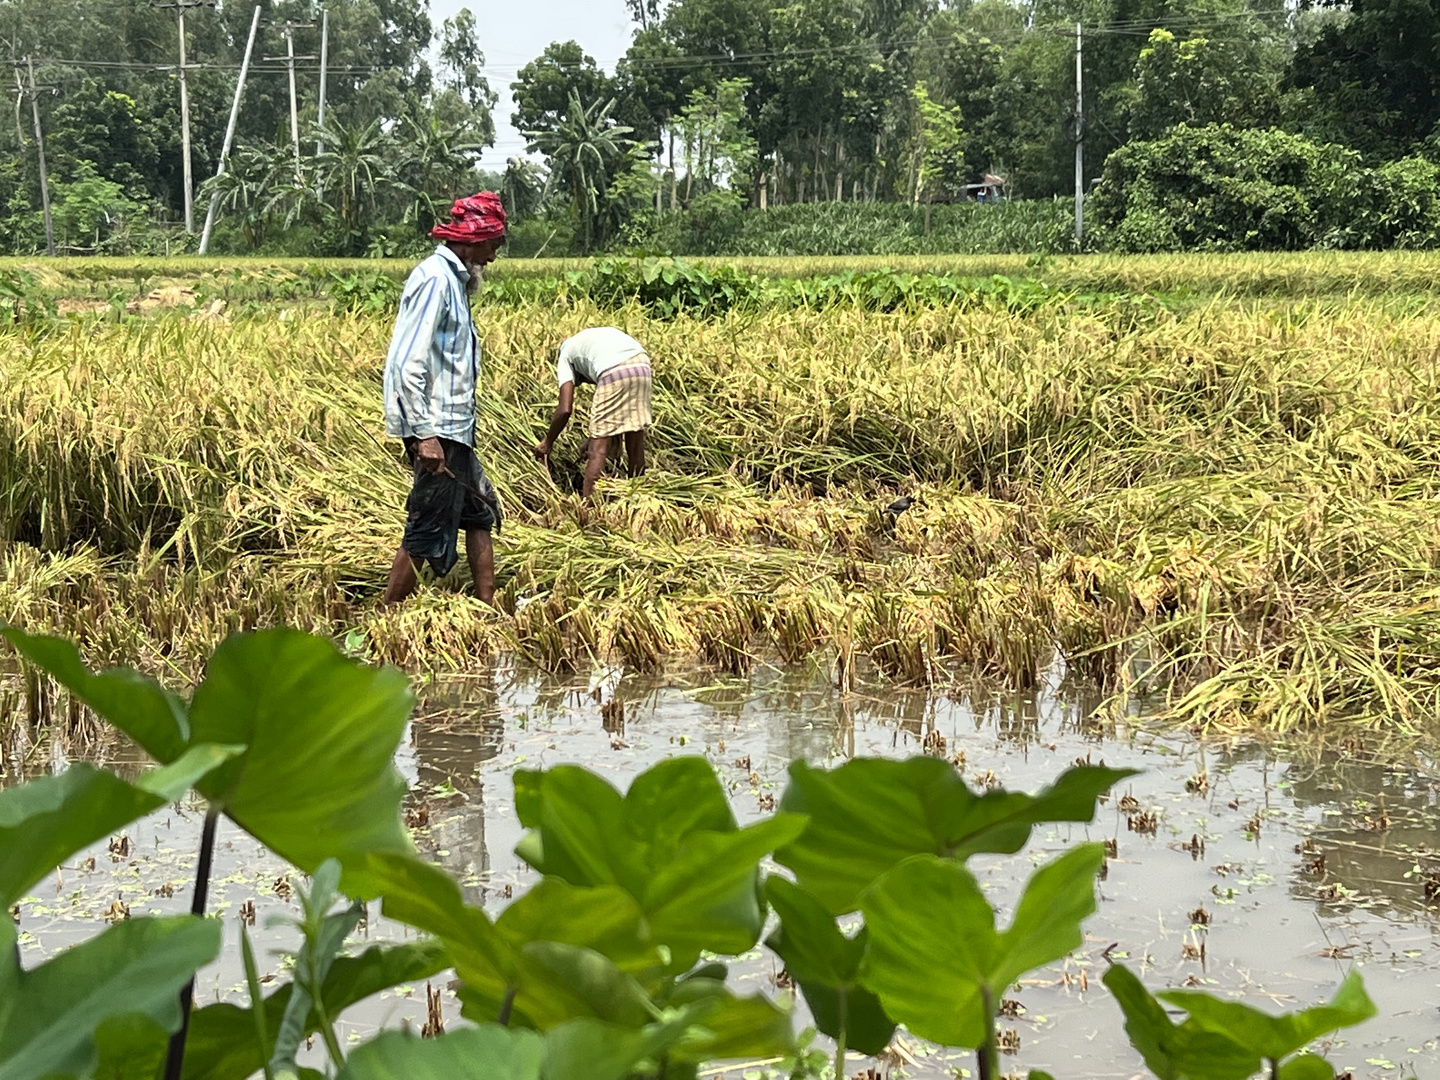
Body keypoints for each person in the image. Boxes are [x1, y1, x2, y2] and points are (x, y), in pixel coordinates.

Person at [381, 192, 507, 608]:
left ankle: (489, 606)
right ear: (473, 240)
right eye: (493, 245)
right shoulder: (435, 279)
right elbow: (405, 363)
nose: (492, 257)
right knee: (426, 526)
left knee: (478, 512)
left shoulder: (454, 282)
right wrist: (424, 435)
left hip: (457, 428)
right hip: (438, 428)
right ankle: (386, 615)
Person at [532, 326, 653, 498]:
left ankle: (588, 508)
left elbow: (565, 409)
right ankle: (638, 497)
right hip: (642, 365)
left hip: (613, 370)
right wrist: (592, 437)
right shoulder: (588, 342)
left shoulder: (565, 356)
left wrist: (548, 442)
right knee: (634, 441)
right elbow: (616, 416)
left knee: (598, 450)